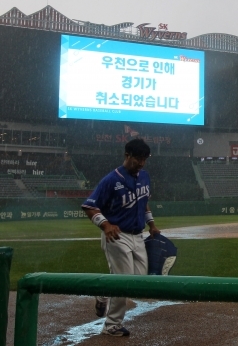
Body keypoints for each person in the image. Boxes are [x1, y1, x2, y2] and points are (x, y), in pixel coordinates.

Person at [81, 138, 160, 337]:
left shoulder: (145, 177)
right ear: (127, 156)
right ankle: (112, 325)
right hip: (117, 236)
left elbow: (144, 203)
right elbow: (89, 206)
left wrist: (151, 224)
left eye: (144, 159)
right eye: (138, 159)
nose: (141, 163)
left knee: (139, 282)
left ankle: (103, 292)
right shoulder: (111, 180)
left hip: (138, 235)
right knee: (124, 282)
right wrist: (105, 225)